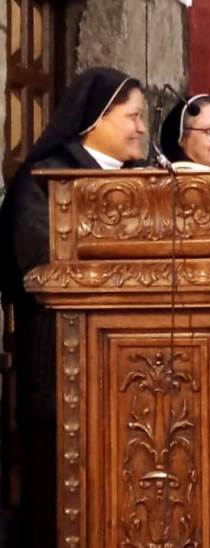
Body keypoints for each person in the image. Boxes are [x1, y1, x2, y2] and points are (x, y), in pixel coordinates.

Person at [0, 67, 146, 547]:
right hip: (62, 361)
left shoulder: (143, 179)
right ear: (97, 118)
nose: (142, 128)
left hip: (134, 369)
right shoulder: (45, 179)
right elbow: (38, 262)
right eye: (133, 117)